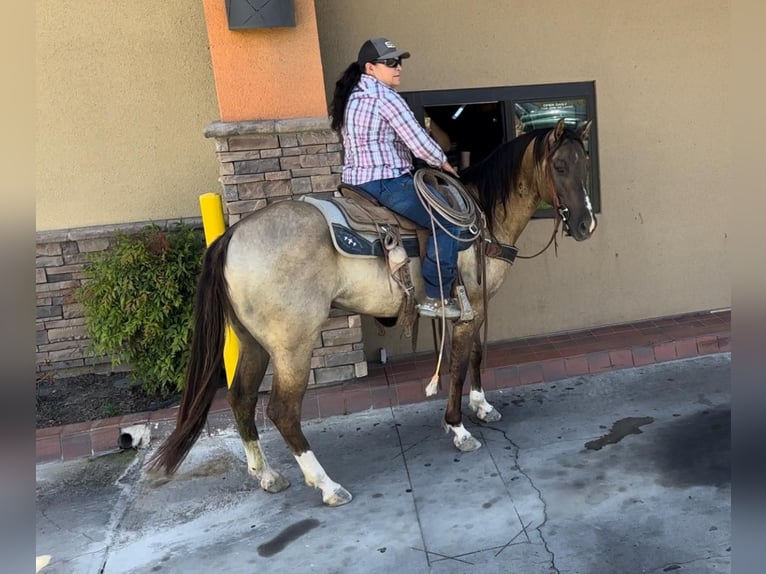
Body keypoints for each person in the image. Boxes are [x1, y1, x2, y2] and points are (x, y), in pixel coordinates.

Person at [329, 37, 463, 319]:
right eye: (390, 62)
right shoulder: (384, 96)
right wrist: (444, 165)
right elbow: (417, 142)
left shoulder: (352, 96)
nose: (398, 67)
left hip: (354, 183)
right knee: (449, 220)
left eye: (399, 61)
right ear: (370, 67)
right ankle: (437, 297)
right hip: (385, 182)